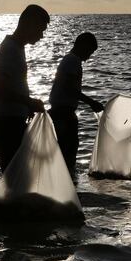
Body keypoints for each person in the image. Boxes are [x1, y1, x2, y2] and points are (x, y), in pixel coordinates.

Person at [0, 4, 50, 172]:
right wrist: (29, 102)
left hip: (13, 122)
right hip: (7, 126)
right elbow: (0, 90)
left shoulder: (16, 48)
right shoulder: (10, 50)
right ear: (29, 24)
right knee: (15, 182)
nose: (42, 36)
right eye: (41, 29)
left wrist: (26, 105)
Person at [48, 32, 104, 172]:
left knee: (64, 151)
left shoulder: (70, 60)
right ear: (83, 46)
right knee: (67, 152)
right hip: (63, 114)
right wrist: (91, 102)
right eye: (89, 51)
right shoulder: (72, 61)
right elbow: (69, 88)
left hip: (61, 112)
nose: (89, 56)